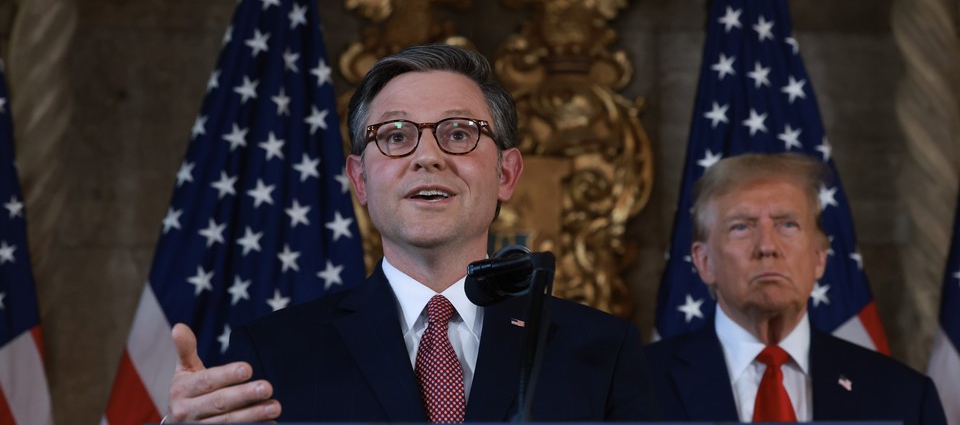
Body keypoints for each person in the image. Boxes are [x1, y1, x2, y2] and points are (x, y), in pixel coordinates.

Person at [164, 44, 656, 423]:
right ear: (359, 178)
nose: (427, 156)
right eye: (396, 136)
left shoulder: (599, 351)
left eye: (459, 133)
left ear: (506, 173)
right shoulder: (274, 353)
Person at [645, 152, 946, 425]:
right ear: (704, 261)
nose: (766, 246)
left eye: (787, 225)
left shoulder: (903, 398)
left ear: (819, 257)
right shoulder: (628, 387)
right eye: (741, 226)